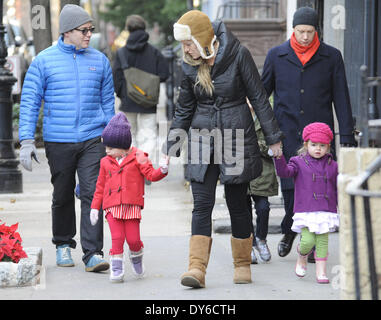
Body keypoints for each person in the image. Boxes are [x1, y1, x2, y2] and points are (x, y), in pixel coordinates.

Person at [163, 10, 283, 288]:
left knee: (237, 204)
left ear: (203, 39)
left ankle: (242, 264)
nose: (186, 49)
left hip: (235, 137)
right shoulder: (189, 64)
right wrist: (172, 145)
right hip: (202, 138)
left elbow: (259, 98)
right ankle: (196, 268)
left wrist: (273, 137)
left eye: (189, 43)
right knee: (201, 204)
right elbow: (184, 107)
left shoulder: (238, 54)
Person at [18, 4, 115, 272]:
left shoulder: (100, 61)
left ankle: (93, 252)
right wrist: (26, 141)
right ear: (67, 32)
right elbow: (29, 101)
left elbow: (108, 103)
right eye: (84, 30)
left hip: (92, 139)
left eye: (90, 30)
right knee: (62, 194)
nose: (88, 35)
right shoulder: (43, 61)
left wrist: (114, 138)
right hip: (58, 140)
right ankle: (62, 244)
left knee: (91, 193)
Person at [261, 6, 356, 258]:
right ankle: (290, 230)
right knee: (291, 188)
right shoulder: (276, 55)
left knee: (318, 189)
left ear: (317, 31)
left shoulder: (331, 56)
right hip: (287, 132)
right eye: (301, 31)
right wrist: (266, 132)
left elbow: (341, 97)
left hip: (320, 136)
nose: (305, 36)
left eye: (310, 32)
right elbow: (262, 96)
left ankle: (312, 243)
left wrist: (346, 135)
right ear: (293, 29)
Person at [89, 113, 168, 282]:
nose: (106, 151)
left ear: (123, 146)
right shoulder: (105, 162)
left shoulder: (139, 157)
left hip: (132, 206)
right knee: (117, 238)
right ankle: (117, 269)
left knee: (133, 239)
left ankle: (137, 257)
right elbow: (100, 186)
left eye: (110, 148)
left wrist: (162, 169)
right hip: (112, 206)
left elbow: (151, 175)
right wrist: (95, 207)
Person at [273, 122, 339, 283]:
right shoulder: (298, 162)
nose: (318, 148)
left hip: (326, 209)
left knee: (323, 241)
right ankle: (302, 255)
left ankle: (321, 272)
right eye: (314, 144)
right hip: (307, 209)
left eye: (322, 146)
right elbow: (285, 172)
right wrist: (278, 156)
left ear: (328, 146)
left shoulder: (333, 165)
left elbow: (337, 186)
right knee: (308, 241)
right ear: (306, 144)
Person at [113, 15, 169, 170]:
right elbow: (165, 74)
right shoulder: (154, 52)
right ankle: (143, 167)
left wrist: (123, 94)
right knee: (148, 135)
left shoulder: (121, 53)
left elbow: (116, 79)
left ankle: (130, 168)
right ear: (144, 29)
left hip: (128, 100)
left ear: (128, 29)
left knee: (128, 136)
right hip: (148, 100)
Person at [247, 112, 279, 264]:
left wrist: (252, 143)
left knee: (263, 208)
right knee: (243, 211)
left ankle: (261, 239)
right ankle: (249, 245)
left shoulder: (265, 119)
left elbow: (273, 149)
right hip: (241, 171)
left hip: (262, 172)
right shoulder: (234, 115)